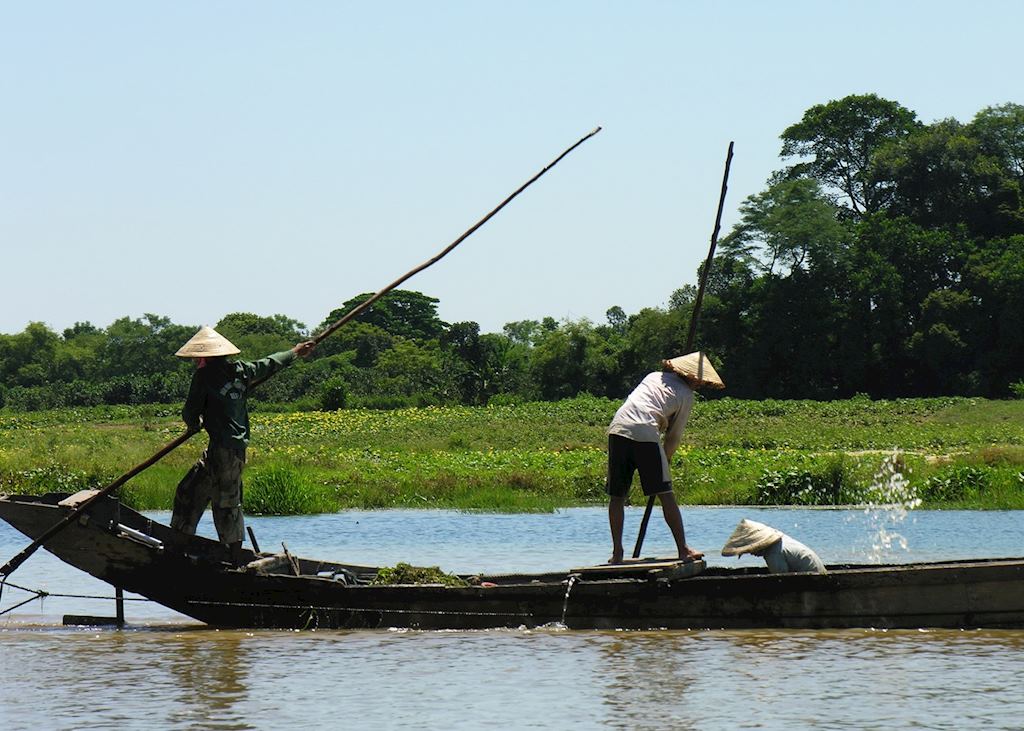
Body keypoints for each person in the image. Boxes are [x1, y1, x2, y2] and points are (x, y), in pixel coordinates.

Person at [170, 325, 316, 564]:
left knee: (226, 503)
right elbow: (270, 362)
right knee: (189, 490)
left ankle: (234, 557)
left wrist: (193, 424)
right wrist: (295, 351)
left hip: (226, 450)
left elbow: (190, 411)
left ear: (205, 357)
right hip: (224, 449)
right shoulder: (242, 371)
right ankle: (178, 543)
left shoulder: (205, 377)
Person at [605, 351, 724, 564]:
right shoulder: (686, 395)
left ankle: (617, 554)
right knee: (666, 494)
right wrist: (666, 460)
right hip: (646, 433)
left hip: (618, 429)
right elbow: (674, 437)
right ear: (690, 376)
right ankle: (683, 549)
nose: (699, 385)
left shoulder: (653, 376)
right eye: (698, 380)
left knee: (617, 497)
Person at [721, 518, 827, 574]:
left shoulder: (773, 553)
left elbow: (780, 580)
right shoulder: (783, 541)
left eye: (751, 549)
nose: (752, 553)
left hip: (813, 583)